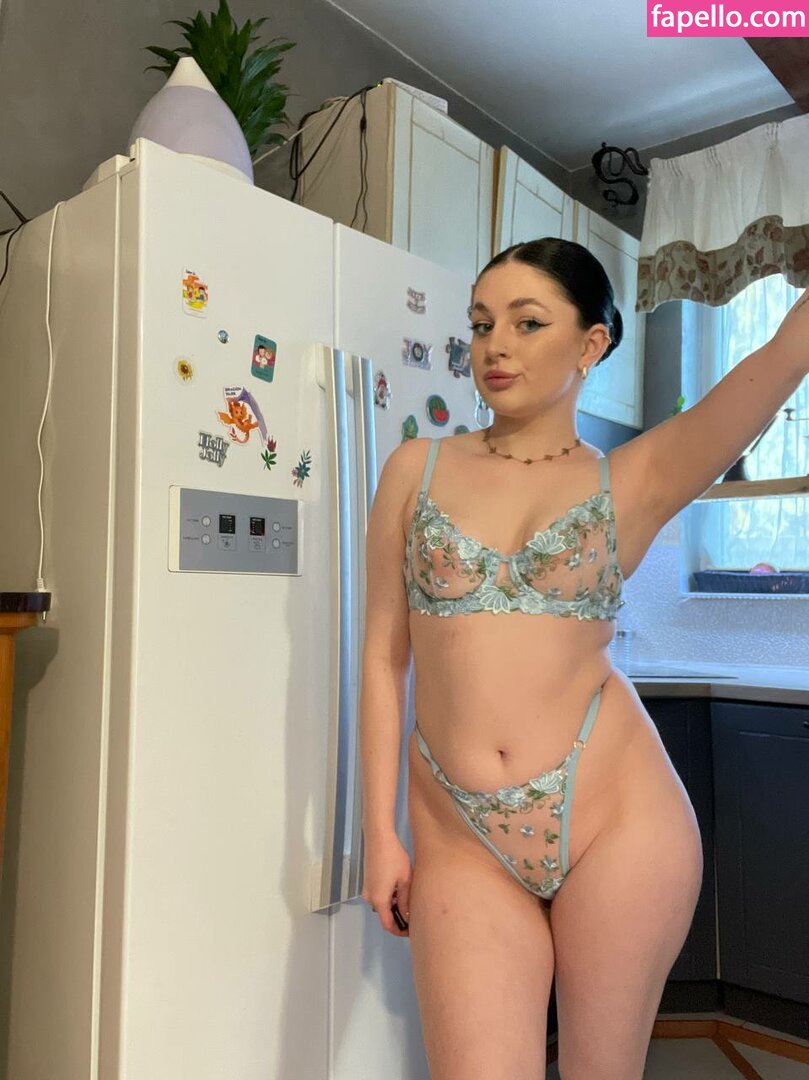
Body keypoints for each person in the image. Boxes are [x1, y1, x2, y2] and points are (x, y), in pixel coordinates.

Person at [359, 237, 809, 1080]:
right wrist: (377, 833)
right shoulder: (414, 469)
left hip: (616, 819)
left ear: (590, 343)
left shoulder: (634, 479)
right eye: (482, 324)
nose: (495, 345)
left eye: (527, 323)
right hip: (459, 831)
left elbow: (785, 353)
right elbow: (384, 658)